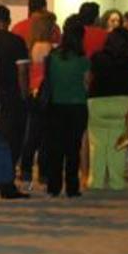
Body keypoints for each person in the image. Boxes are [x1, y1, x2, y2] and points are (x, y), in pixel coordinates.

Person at [39, 15, 90, 197]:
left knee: (56, 148)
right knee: (73, 148)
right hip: (77, 107)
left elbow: (49, 81)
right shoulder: (83, 59)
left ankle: (54, 186)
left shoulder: (53, 56)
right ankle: (72, 186)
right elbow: (86, 85)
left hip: (56, 106)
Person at [0, 5, 31, 199]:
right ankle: (6, 183)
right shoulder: (16, 42)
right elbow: (22, 72)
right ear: (9, 20)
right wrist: (24, 96)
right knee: (10, 140)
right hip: (10, 97)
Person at [88, 28, 128, 191]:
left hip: (97, 103)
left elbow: (89, 79)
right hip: (122, 103)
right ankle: (117, 182)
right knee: (118, 146)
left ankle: (96, 181)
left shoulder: (97, 58)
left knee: (97, 144)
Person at [17, 12, 56, 193]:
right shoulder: (50, 48)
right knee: (46, 137)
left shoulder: (30, 47)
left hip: (31, 93)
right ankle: (44, 173)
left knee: (30, 136)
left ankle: (25, 171)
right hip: (45, 95)